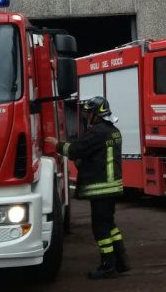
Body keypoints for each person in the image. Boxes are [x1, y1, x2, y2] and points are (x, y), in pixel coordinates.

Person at [47, 95, 130, 279]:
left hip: (101, 188)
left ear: (96, 113)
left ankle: (108, 266)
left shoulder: (97, 133)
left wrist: (57, 145)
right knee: (110, 225)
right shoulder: (113, 131)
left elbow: (76, 149)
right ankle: (121, 261)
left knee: (100, 228)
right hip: (112, 187)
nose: (86, 116)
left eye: (88, 112)